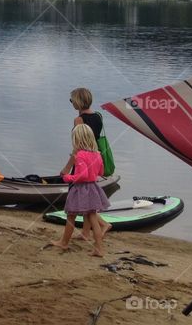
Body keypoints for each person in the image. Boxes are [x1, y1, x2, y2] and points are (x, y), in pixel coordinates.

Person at [50, 124, 111, 256]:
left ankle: (64, 243)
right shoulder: (98, 154)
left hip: (80, 189)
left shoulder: (80, 155)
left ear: (77, 139)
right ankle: (98, 248)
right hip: (93, 188)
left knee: (71, 215)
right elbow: (101, 172)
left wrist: (67, 177)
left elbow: (82, 176)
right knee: (93, 219)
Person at [62, 87, 106, 241]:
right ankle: (86, 233)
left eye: (72, 100)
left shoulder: (79, 120)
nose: (71, 103)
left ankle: (68, 239)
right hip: (94, 159)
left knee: (76, 199)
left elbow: (77, 147)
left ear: (78, 101)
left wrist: (67, 168)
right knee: (89, 198)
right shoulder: (98, 117)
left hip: (81, 160)